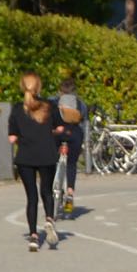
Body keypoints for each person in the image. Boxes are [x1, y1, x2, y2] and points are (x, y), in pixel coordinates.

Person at [7, 72, 59, 251]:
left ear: (22, 87)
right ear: (39, 87)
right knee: (47, 191)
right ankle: (49, 219)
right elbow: (59, 127)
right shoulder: (50, 106)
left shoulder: (17, 109)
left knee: (31, 197)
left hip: (25, 157)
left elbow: (12, 138)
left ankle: (34, 237)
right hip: (47, 154)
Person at [53, 78, 87, 214]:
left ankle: (54, 184)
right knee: (71, 164)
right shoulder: (80, 104)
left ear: (60, 91)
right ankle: (70, 193)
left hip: (58, 134)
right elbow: (84, 121)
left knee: (52, 159)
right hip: (75, 135)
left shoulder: (54, 102)